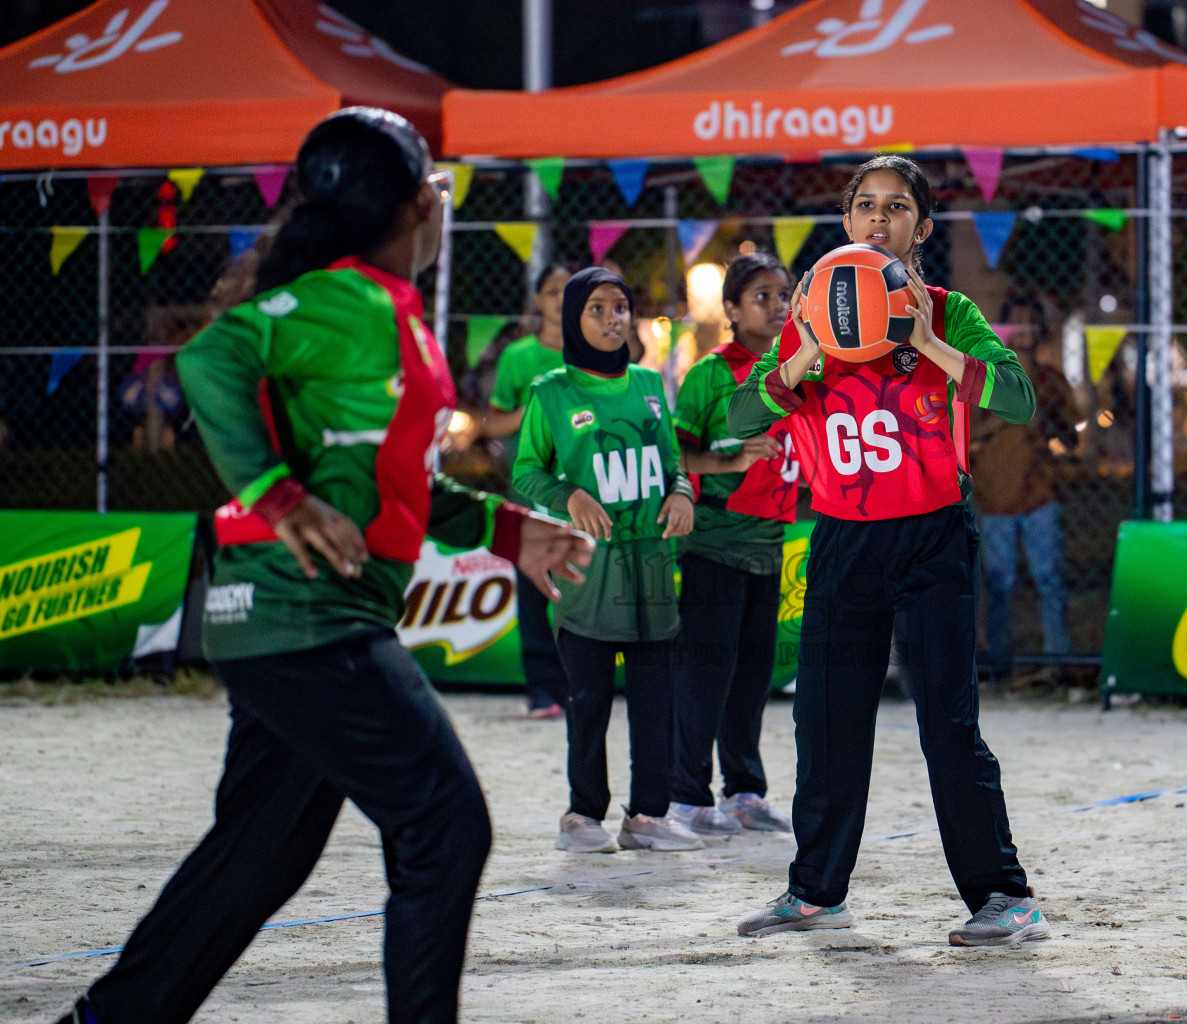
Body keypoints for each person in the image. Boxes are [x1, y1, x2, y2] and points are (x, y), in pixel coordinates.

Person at [52, 108, 593, 1024]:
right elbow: (210, 357)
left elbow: (392, 479)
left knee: (257, 858)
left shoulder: (379, 306)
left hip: (280, 620)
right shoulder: (351, 298)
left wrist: (508, 531)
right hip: (308, 617)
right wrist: (278, 494)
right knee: (445, 829)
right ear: (423, 200)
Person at [728, 155, 1048, 947]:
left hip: (934, 534)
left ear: (922, 227)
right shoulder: (807, 321)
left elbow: (1019, 396)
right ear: (844, 222)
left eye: (898, 207)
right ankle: (814, 892)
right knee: (827, 720)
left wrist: (931, 344)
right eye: (865, 205)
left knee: (947, 721)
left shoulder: (947, 308)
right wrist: (796, 365)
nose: (880, 218)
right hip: (842, 539)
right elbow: (736, 420)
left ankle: (1005, 896)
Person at [513, 266, 703, 854]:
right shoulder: (551, 390)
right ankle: (583, 813)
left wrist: (682, 493)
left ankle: (648, 815)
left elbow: (673, 459)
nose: (611, 318)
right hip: (588, 570)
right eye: (596, 308)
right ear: (573, 318)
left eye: (619, 307)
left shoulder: (650, 383)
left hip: (650, 567)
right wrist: (567, 496)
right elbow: (526, 472)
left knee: (655, 698)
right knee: (588, 698)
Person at [667, 252, 797, 838]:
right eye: (762, 296)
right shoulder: (712, 374)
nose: (777, 306)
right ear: (731, 310)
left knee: (752, 674)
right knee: (707, 672)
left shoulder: (798, 368)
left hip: (770, 543)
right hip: (715, 542)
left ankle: (744, 791)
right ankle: (686, 797)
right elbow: (672, 453)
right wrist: (727, 459)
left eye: (784, 294)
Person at [481, 263, 575, 718]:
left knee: (581, 585)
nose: (560, 299)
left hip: (584, 487)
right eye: (552, 291)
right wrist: (533, 410)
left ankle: (580, 684)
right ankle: (542, 689)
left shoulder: (594, 350)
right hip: (531, 487)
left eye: (570, 291)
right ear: (538, 301)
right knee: (534, 587)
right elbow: (492, 423)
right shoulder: (518, 356)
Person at [970, 296, 1077, 682]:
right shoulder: (983, 377)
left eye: (1031, 324)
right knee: (999, 583)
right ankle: (998, 664)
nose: (1025, 331)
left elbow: (1072, 439)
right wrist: (1002, 423)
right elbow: (966, 437)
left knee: (1049, 579)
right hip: (994, 497)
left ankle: (1057, 663)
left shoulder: (1051, 381)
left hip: (1039, 495)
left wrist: (1046, 425)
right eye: (1016, 324)